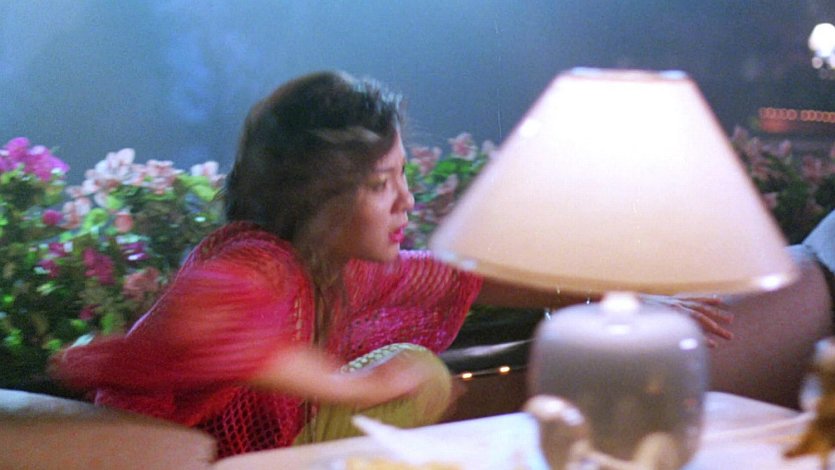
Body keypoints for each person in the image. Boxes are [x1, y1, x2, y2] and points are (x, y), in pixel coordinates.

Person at [50, 70, 732, 458]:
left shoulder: (338, 264)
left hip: (260, 455)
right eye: (382, 183)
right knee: (417, 375)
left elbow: (462, 277)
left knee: (419, 375)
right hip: (160, 458)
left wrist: (617, 296)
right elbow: (206, 322)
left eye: (402, 174)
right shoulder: (256, 260)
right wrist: (356, 389)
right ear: (320, 193)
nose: (407, 199)